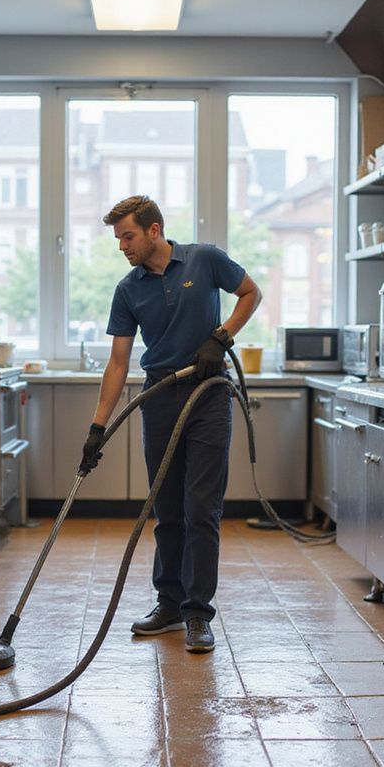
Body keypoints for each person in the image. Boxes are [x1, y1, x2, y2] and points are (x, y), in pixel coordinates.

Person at [79, 195, 262, 653]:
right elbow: (119, 362)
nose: (122, 246)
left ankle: (198, 613)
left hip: (208, 393)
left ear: (154, 230)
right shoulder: (128, 288)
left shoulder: (204, 259)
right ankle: (169, 604)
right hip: (159, 396)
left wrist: (221, 338)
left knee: (202, 507)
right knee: (167, 509)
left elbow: (250, 293)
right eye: (118, 238)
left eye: (128, 236)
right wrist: (97, 428)